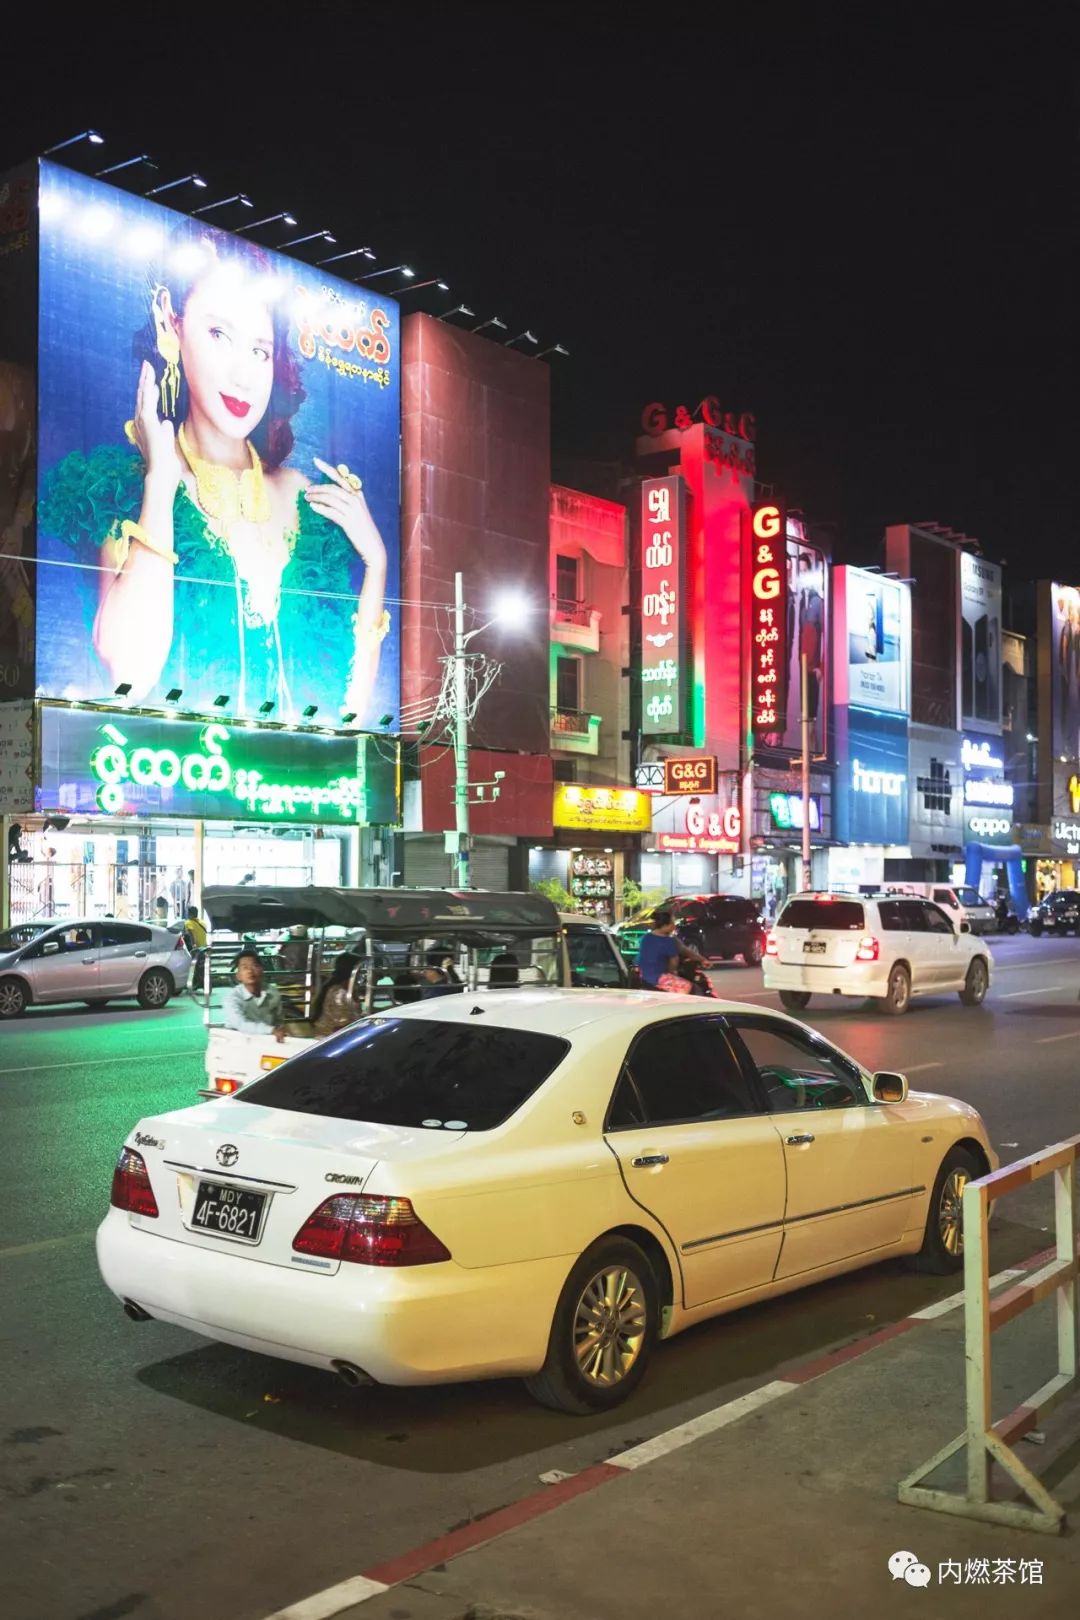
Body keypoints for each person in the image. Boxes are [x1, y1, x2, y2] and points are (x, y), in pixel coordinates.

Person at [39, 224, 390, 724]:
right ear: (171, 323)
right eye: (219, 334)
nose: (244, 374)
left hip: (307, 782)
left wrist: (375, 563)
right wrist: (160, 483)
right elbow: (130, 676)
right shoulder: (126, 488)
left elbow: (354, 712)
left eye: (260, 351)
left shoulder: (302, 500)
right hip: (163, 775)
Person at [283, 952, 363, 1038]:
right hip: (331, 1039)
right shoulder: (339, 994)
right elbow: (342, 1026)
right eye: (360, 972)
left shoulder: (343, 990)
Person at [221, 947, 286, 1040]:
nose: (250, 971)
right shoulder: (232, 998)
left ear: (262, 970)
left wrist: (279, 1029)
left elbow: (279, 1020)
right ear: (238, 976)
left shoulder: (273, 993)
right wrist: (271, 1030)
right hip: (237, 1042)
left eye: (254, 966)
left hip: (266, 1041)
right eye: (245, 967)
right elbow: (240, 1024)